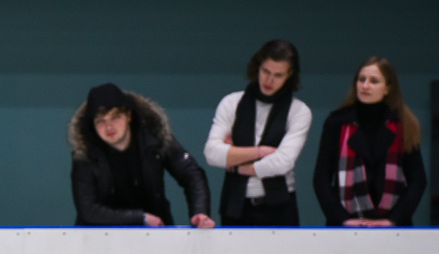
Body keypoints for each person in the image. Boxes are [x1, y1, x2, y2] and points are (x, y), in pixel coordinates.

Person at [68, 82, 216, 228]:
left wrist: (200, 213)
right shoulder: (85, 154)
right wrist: (141, 218)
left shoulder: (155, 137)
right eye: (100, 121)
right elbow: (88, 209)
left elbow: (191, 174)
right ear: (92, 125)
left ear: (128, 115)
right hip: (99, 237)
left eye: (115, 117)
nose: (109, 127)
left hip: (154, 232)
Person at [204, 39, 312, 226]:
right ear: (257, 67)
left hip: (279, 208)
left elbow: (283, 162)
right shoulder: (232, 103)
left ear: (289, 75)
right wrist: (260, 152)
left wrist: (238, 164)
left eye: (278, 75)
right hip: (235, 206)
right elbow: (212, 153)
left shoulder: (299, 111)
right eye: (265, 71)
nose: (269, 80)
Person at [313, 56, 426, 226]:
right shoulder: (336, 122)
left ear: (387, 88)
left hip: (393, 227)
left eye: (374, 81)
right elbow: (321, 178)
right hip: (345, 225)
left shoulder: (403, 123)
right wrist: (343, 220)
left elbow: (418, 180)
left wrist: (392, 220)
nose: (365, 86)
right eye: (361, 79)